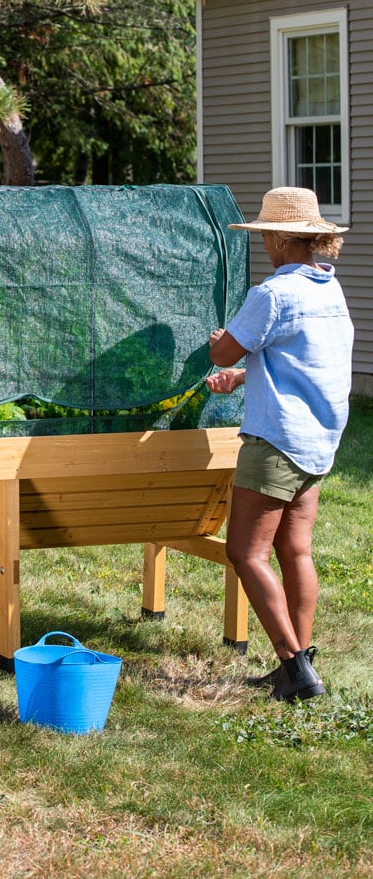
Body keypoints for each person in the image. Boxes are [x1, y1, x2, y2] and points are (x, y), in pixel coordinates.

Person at [206, 187, 353, 702]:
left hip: (275, 442)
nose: (264, 241)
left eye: (267, 233)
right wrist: (248, 379)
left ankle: (294, 669)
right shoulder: (329, 290)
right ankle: (302, 659)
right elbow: (302, 361)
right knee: (296, 551)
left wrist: (217, 345)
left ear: (279, 238)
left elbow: (223, 351)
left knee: (245, 553)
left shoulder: (273, 293)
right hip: (318, 441)